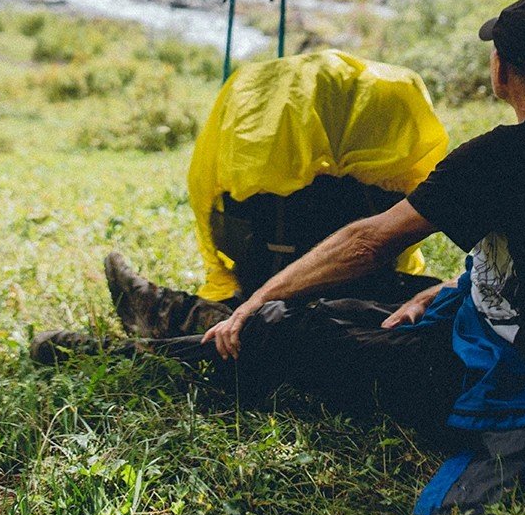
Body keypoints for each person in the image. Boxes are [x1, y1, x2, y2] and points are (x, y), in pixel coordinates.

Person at [36, 0, 525, 515]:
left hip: (490, 384)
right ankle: (175, 311)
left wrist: (255, 300)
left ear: (501, 69)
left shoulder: (502, 156)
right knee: (384, 293)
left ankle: (132, 348)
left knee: (281, 325)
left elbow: (369, 240)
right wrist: (440, 293)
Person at [104, 48, 450, 339]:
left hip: (307, 282)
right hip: (379, 288)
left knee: (313, 333)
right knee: (400, 312)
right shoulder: (460, 163)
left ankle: (176, 318)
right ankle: (189, 316)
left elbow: (368, 243)